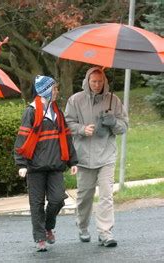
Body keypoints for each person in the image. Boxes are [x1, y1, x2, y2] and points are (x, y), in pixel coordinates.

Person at [65, 67, 128, 247]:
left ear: (105, 82)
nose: (97, 85)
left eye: (100, 81)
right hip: (83, 157)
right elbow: (67, 123)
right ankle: (82, 226)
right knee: (85, 196)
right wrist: (82, 129)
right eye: (93, 81)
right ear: (87, 81)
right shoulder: (75, 100)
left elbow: (124, 127)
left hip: (106, 155)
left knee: (106, 195)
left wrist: (114, 122)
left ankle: (105, 233)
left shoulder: (113, 100)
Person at [14, 75, 78, 252]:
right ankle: (40, 237)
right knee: (36, 204)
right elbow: (22, 139)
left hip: (56, 165)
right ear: (46, 90)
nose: (57, 91)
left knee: (58, 200)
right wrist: (21, 164)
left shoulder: (57, 111)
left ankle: (49, 226)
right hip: (35, 168)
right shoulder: (32, 111)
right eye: (55, 88)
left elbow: (66, 136)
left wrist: (73, 160)